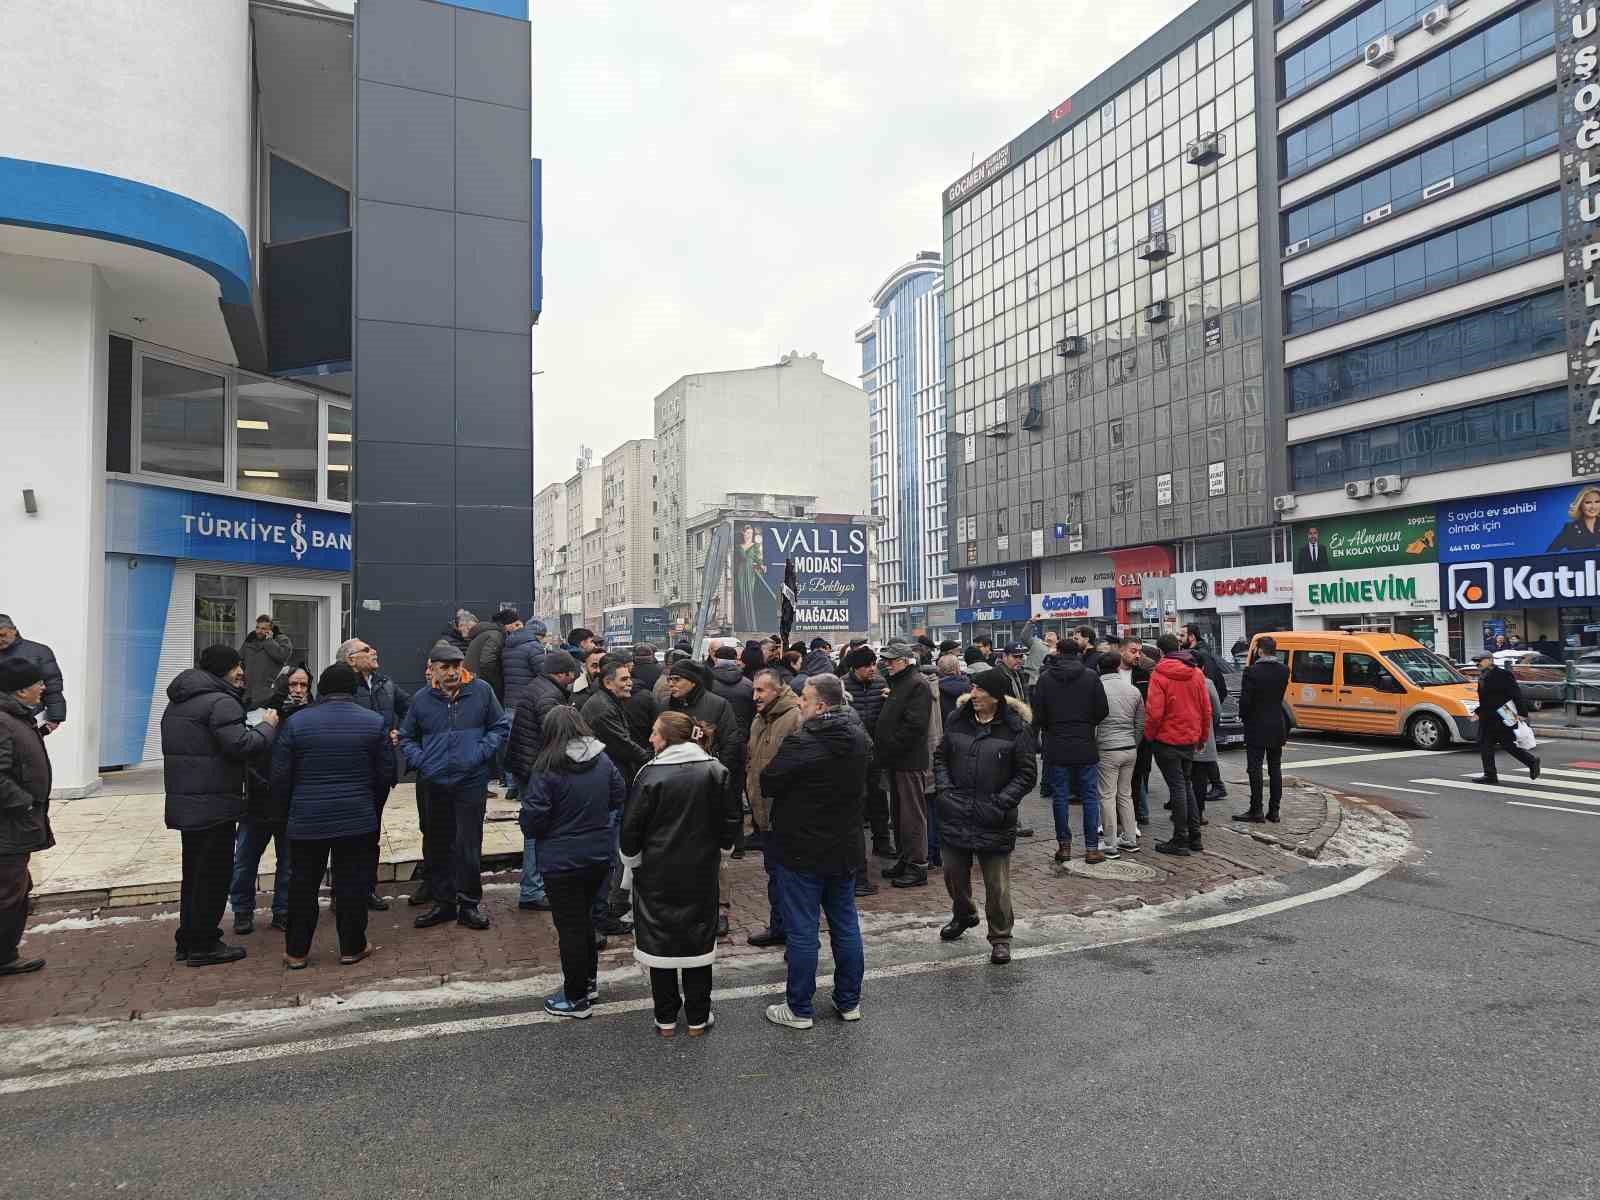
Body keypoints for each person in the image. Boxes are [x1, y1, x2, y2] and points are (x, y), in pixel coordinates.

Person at [759, 674, 870, 1028]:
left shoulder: (802, 742)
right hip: (845, 844)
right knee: (845, 924)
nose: (800, 704)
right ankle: (849, 1001)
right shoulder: (858, 736)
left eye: (805, 699)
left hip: (801, 848)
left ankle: (800, 1008)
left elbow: (769, 781)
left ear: (821, 705)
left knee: (803, 930)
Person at [162, 644, 279, 966]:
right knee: (213, 877)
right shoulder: (220, 702)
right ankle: (204, 944)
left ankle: (188, 938)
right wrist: (267, 726)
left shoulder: (179, 701)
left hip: (189, 803)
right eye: (237, 666)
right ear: (226, 668)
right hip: (215, 804)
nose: (242, 672)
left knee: (194, 875)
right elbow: (241, 745)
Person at [272, 663, 394, 969]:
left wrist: (290, 811)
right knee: (351, 884)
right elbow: (386, 774)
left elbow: (280, 776)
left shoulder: (297, 723)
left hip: (307, 818)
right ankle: (352, 947)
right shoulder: (373, 722)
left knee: (303, 885)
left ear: (321, 689)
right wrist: (369, 804)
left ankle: (297, 951)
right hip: (356, 818)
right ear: (353, 690)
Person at [620, 712, 735, 1037]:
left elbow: (631, 829)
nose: (650, 739)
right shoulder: (715, 770)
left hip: (656, 871)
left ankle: (666, 1019)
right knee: (698, 940)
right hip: (700, 870)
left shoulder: (649, 774)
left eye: (655, 734)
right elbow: (729, 820)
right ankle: (698, 1018)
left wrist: (632, 860)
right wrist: (721, 851)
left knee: (660, 942)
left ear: (669, 738)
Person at [521, 707, 627, 1018]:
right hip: (598, 854)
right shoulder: (603, 760)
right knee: (588, 923)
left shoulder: (547, 767)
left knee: (570, 928)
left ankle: (575, 997)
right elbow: (618, 795)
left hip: (561, 860)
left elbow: (534, 817)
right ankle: (589, 983)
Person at [400, 642, 511, 931]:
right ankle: (444, 903)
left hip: (470, 780)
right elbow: (406, 736)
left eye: (455, 666)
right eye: (444, 667)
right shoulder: (422, 699)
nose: (451, 672)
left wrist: (478, 754)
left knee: (468, 843)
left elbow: (500, 727)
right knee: (437, 843)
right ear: (432, 669)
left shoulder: (481, 691)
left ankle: (469, 904)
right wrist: (423, 761)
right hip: (434, 781)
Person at [934, 668, 1037, 965]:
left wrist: (1001, 802)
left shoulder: (1016, 729)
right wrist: (944, 790)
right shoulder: (958, 719)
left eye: (980, 690)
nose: (973, 695)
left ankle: (1001, 937)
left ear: (997, 697)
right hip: (955, 811)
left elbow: (1027, 774)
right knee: (953, 875)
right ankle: (964, 914)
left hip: (994, 816)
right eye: (973, 688)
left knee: (997, 885)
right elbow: (940, 757)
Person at [230, 664, 313, 935]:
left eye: (303, 685)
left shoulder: (311, 715)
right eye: (293, 685)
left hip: (292, 803)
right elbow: (249, 752)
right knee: (245, 861)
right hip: (258, 803)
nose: (299, 690)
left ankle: (283, 911)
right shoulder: (262, 714)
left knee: (288, 864)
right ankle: (242, 911)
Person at [664, 660, 742, 935]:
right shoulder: (666, 706)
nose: (671, 685)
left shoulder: (717, 705)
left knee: (715, 855)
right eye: (669, 680)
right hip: (675, 790)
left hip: (707, 789)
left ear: (692, 681)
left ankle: (720, 909)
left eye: (676, 680)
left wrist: (716, 775)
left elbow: (732, 743)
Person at [580, 655, 651, 935]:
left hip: (612, 779)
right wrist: (650, 760)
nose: (629, 682)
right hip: (609, 785)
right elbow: (623, 744)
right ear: (608, 683)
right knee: (610, 849)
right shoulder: (602, 709)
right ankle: (605, 909)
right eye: (623, 679)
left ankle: (608, 904)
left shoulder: (608, 703)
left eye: (629, 677)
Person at [507, 650, 580, 912]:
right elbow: (557, 736)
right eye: (572, 675)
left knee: (535, 829)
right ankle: (532, 890)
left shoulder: (537, 687)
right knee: (537, 831)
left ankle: (534, 887)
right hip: (538, 770)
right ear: (562, 674)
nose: (573, 680)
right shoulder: (549, 696)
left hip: (527, 766)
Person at [339, 637, 408, 910]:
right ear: (351, 659)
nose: (374, 651)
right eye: (367, 649)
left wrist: (400, 733)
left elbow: (412, 710)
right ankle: (343, 893)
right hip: (351, 773)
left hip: (380, 773)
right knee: (346, 837)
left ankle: (367, 889)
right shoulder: (339, 687)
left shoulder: (385, 684)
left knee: (371, 833)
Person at [0, 658, 55, 977]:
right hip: (8, 827)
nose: (43, 688)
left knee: (16, 889)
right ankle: (4, 957)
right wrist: (24, 804)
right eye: (37, 683)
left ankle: (7, 952)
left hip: (16, 825)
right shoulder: (5, 722)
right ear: (21, 690)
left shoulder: (18, 718)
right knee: (9, 892)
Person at [1033, 639, 1109, 864]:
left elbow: (1038, 714)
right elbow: (1102, 710)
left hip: (1056, 743)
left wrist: (1051, 728)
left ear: (1058, 653)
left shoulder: (1046, 678)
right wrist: (1087, 724)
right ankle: (1092, 848)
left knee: (1060, 797)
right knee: (1089, 796)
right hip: (1085, 742)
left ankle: (1064, 846)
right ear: (1078, 653)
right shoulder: (1090, 676)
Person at [1144, 634, 1211, 858]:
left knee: (1178, 787)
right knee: (1186, 785)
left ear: (1161, 652)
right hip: (1189, 738)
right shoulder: (1196, 673)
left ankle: (1180, 838)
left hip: (1167, 739)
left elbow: (1154, 713)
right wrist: (1201, 737)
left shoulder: (1159, 674)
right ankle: (1195, 836)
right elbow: (1205, 709)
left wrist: (1149, 736)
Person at [875, 640, 934, 888]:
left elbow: (914, 726)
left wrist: (891, 746)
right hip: (897, 760)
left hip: (908, 760)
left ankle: (917, 865)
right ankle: (905, 858)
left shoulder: (917, 684)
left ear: (903, 661)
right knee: (900, 815)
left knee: (912, 815)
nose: (886, 665)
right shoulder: (902, 681)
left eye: (890, 661)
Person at [842, 645, 894, 861]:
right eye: (867, 666)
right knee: (856, 802)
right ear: (855, 668)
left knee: (879, 800)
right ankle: (856, 852)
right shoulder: (843, 685)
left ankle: (882, 842)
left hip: (876, 753)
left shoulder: (881, 683)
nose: (872, 669)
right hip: (852, 755)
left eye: (873, 664)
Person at [745, 668, 802, 858]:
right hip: (764, 812)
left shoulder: (795, 717)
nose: (755, 697)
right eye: (754, 690)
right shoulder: (759, 719)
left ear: (777, 690)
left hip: (786, 815)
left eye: (760, 691)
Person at [1235, 635, 1291, 823]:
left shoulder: (1251, 671)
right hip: (1277, 724)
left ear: (1259, 650)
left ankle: (1256, 809)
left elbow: (1245, 701)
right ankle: (1274, 810)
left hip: (1256, 725)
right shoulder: (1284, 671)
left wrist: (1243, 716)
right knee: (1275, 769)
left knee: (1255, 768)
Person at [1094, 651, 1143, 856]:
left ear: (1098, 668)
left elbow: (1093, 722)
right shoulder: (1133, 690)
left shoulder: (1097, 689)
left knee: (1107, 796)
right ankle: (1130, 838)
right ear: (1117, 666)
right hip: (1129, 748)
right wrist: (1134, 742)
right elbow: (1140, 723)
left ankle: (1109, 842)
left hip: (1107, 748)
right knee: (1125, 794)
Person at [1472, 653, 1542, 783]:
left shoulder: (1504, 674)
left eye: (1479, 660)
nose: (1477, 663)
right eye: (1475, 661)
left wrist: (1522, 713)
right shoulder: (1483, 676)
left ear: (1490, 660)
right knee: (1485, 744)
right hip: (1488, 716)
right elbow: (1486, 699)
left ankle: (1532, 761)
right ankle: (1490, 775)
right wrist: (1479, 711)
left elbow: (1516, 693)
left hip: (1504, 714)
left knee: (1508, 744)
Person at [0, 616, 65, 733]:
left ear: (13, 630)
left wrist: (55, 718)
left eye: (2, 635)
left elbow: (52, 685)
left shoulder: (39, 652)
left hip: (30, 719)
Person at [1189, 673, 1224, 822]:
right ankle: (1199, 812)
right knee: (1200, 778)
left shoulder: (1168, 678)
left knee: (1181, 779)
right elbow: (1216, 710)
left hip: (1180, 737)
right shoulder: (1206, 682)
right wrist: (1210, 726)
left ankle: (1185, 812)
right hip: (1202, 737)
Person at [239, 615, 292, 707]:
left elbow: (282, 656)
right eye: (257, 627)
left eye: (263, 629)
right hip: (247, 694)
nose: (259, 631)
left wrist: (269, 641)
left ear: (270, 630)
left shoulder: (282, 640)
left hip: (268, 695)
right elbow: (240, 659)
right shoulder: (250, 640)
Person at [501, 618, 549, 714]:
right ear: (538, 634)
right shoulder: (534, 646)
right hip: (528, 702)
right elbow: (544, 673)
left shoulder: (509, 644)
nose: (543, 639)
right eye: (543, 636)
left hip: (509, 701)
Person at [1182, 623, 1228, 704]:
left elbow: (1209, 682)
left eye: (1182, 635)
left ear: (1192, 637)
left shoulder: (1202, 654)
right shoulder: (1194, 652)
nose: (1178, 638)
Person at [1547, 486, 1600, 552]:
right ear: (1580, 505)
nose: (1593, 507)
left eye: (1597, 502)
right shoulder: (1570, 529)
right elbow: (1550, 553)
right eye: (1588, 502)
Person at [936, 653, 973, 723]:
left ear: (939, 669)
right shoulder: (968, 686)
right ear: (957, 668)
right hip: (964, 726)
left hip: (942, 727)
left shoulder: (934, 687)